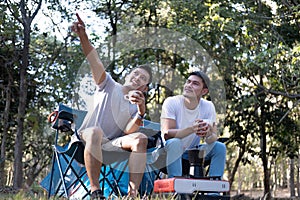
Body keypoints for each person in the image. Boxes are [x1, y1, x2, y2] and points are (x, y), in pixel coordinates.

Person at [71, 13, 153, 199]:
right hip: (86, 138)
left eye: (143, 78)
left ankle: (132, 194)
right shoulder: (108, 84)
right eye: (136, 73)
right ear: (128, 75)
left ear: (144, 88)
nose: (137, 77)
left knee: (140, 138)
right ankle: (95, 191)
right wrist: (83, 35)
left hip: (113, 144)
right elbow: (94, 60)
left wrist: (141, 111)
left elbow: (127, 131)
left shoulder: (135, 105)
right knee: (95, 132)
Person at [160, 71, 226, 179]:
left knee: (219, 147)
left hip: (192, 155)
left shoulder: (208, 106)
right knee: (175, 143)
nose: (189, 86)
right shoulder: (171, 102)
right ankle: (177, 191)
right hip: (167, 153)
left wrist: (208, 133)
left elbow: (213, 138)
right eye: (188, 82)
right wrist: (192, 129)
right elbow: (167, 134)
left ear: (204, 91)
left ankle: (214, 192)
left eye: (195, 83)